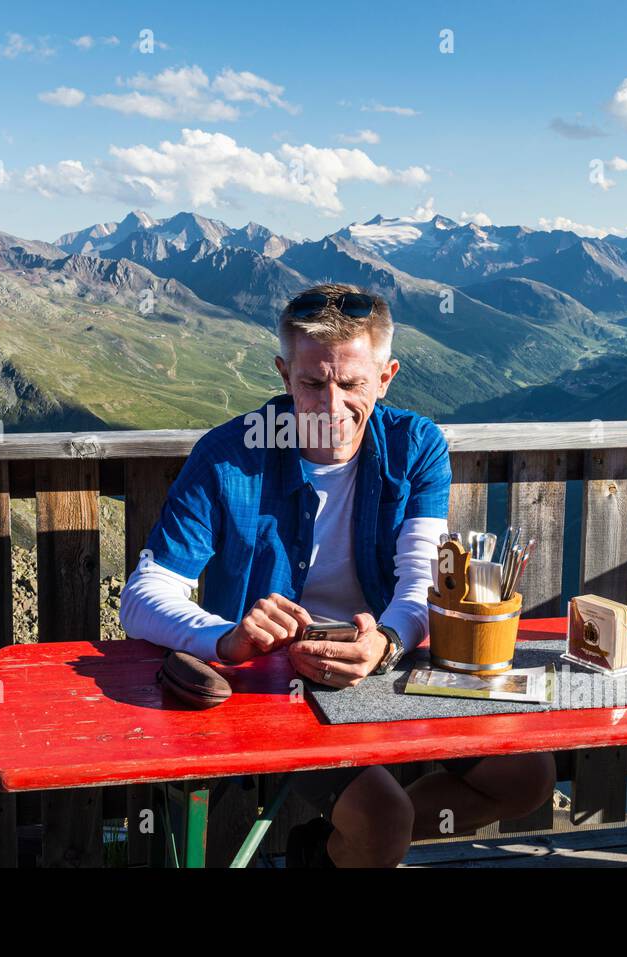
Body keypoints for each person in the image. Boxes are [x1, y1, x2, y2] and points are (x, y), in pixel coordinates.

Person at [120, 282, 556, 867]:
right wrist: (226, 639)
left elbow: (422, 584)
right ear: (283, 373)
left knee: (527, 777)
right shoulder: (227, 454)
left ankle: (332, 851)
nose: (331, 406)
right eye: (311, 383)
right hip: (273, 686)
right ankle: (362, 840)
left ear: (386, 376)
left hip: (387, 667)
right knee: (382, 817)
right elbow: (142, 598)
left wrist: (388, 641)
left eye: (351, 384)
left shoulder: (417, 446)